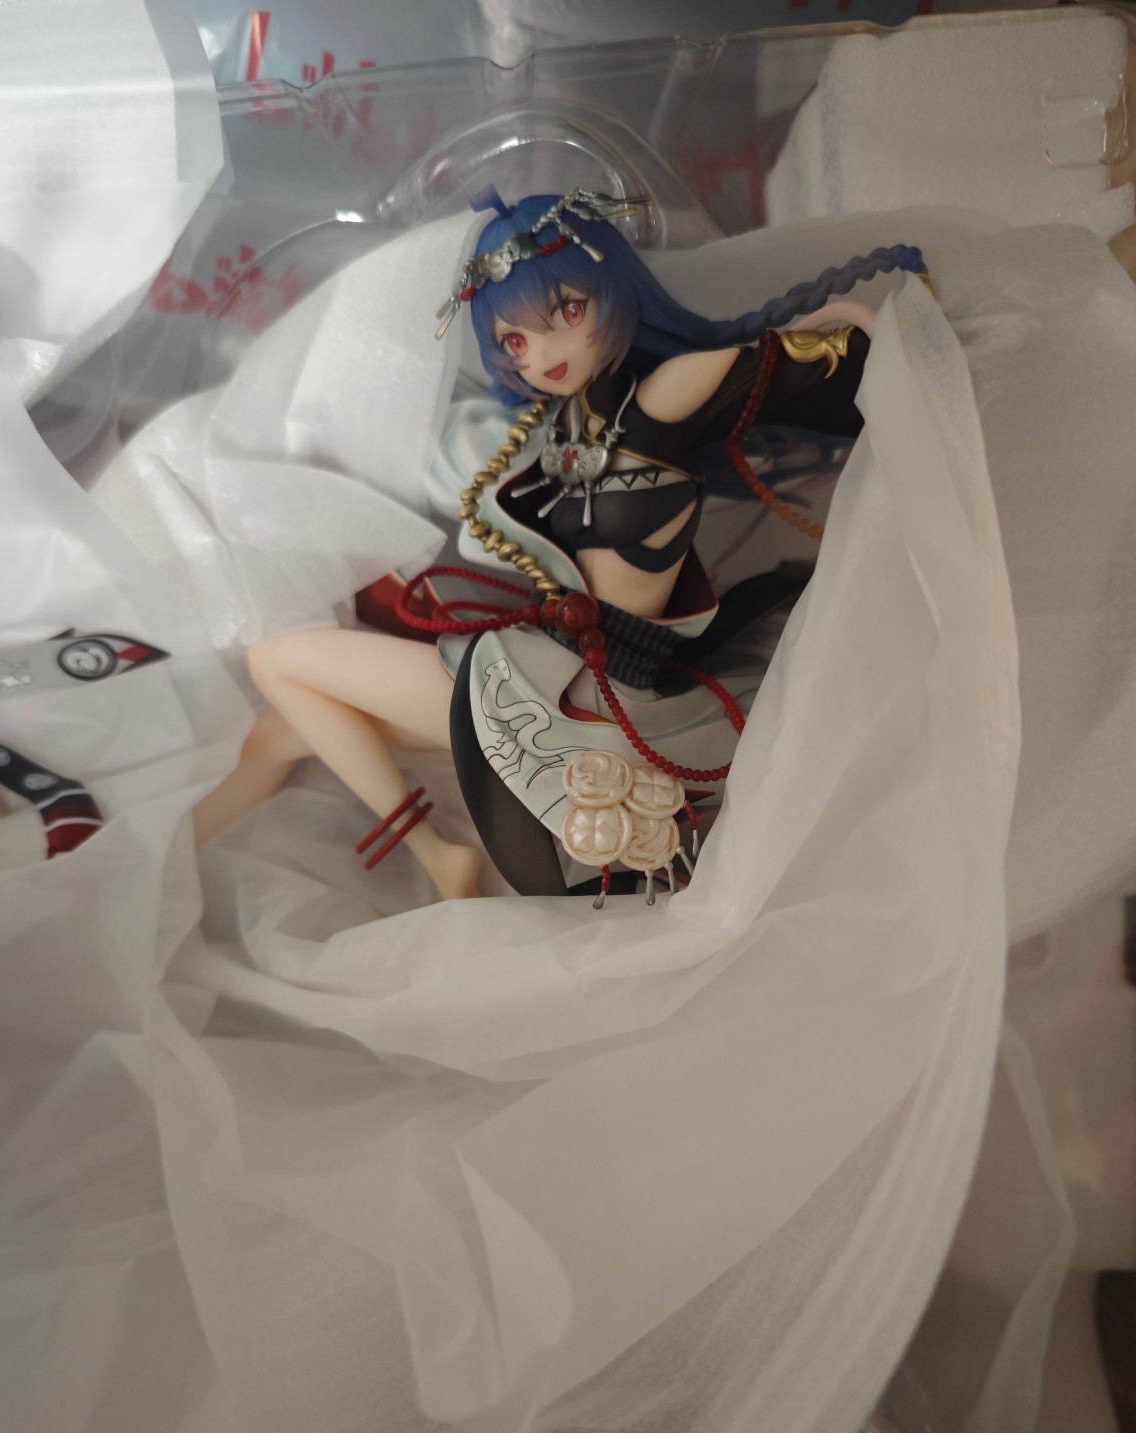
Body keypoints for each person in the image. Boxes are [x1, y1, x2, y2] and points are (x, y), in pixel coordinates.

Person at [192, 188, 926, 901]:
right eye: (516, 340)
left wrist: (878, 345)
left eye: (567, 312)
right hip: (549, 673)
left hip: (587, 692)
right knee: (280, 733)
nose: (541, 354)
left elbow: (821, 363)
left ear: (610, 289)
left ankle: (435, 856)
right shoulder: (570, 422)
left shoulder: (665, 394)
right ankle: (160, 871)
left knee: (275, 658)